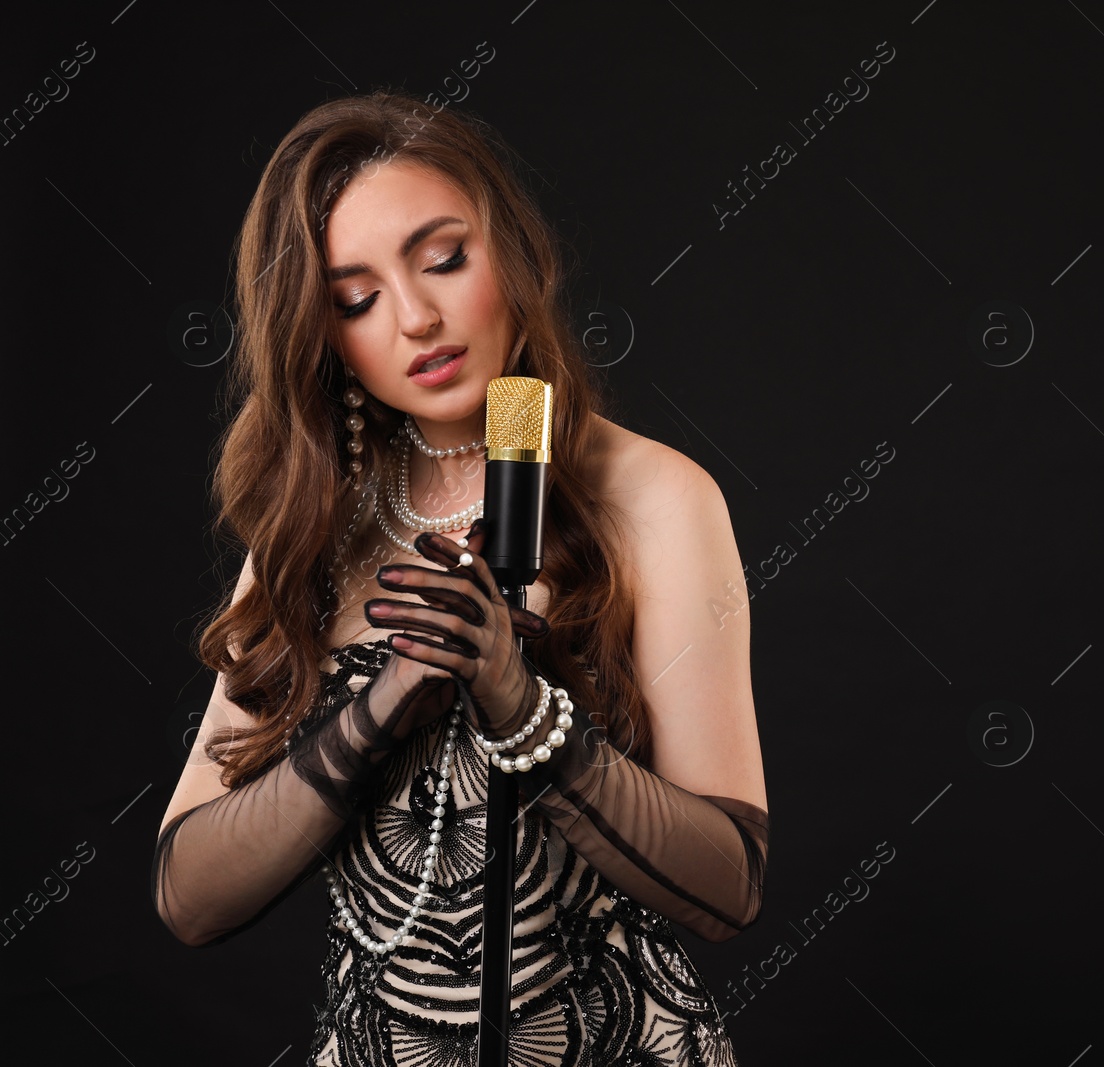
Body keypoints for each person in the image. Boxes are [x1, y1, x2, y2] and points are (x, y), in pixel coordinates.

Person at [151, 90, 769, 1066]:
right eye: (355, 298)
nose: (416, 316)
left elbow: (728, 885)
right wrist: (383, 701)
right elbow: (190, 893)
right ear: (324, 333)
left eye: (443, 258)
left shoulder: (656, 498)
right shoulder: (310, 533)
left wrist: (523, 709)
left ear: (516, 253)